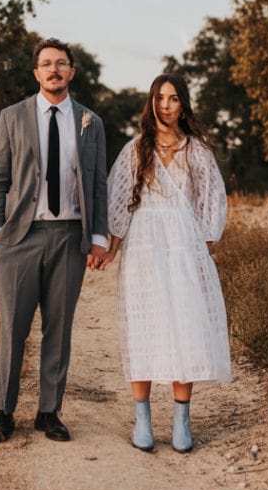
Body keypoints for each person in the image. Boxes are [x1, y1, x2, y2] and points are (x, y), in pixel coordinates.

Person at [0, 38, 109, 443]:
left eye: (61, 64)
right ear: (36, 73)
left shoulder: (92, 122)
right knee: (14, 329)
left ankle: (48, 412)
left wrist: (98, 236)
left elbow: (99, 184)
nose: (54, 70)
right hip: (20, 238)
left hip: (71, 237)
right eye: (46, 64)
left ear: (72, 72)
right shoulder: (12, 117)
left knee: (59, 327)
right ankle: (4, 411)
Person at [99, 72, 231, 453]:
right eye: (160, 98)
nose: (166, 106)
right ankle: (142, 418)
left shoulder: (197, 151)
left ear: (183, 104)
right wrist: (112, 249)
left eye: (174, 99)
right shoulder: (136, 148)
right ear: (151, 102)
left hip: (184, 245)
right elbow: (120, 202)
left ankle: (181, 419)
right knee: (144, 326)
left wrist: (201, 243)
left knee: (184, 328)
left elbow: (212, 200)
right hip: (144, 245)